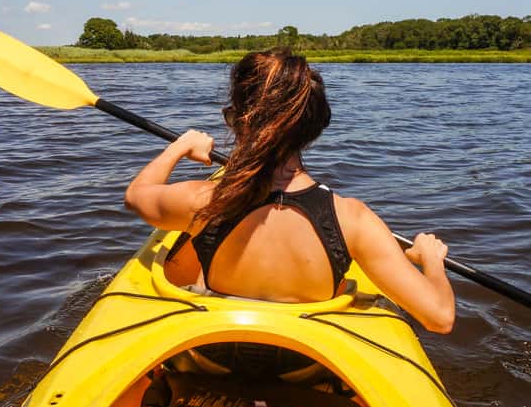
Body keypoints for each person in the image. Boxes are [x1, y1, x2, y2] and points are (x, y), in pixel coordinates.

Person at [124, 48, 454, 334]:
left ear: (237, 121)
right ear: (314, 129)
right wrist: (431, 259)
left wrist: (180, 147)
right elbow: (440, 318)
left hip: (218, 364)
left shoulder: (202, 202)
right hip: (300, 369)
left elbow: (137, 194)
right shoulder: (353, 220)